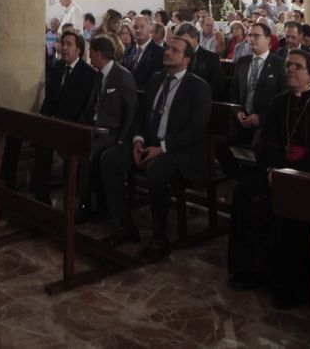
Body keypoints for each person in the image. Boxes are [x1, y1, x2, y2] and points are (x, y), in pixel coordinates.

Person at [226, 49, 310, 305]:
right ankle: (248, 270)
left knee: (289, 211)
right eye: (288, 65)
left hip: (309, 177)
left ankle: (292, 285)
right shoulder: (279, 102)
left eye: (297, 67)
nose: (289, 69)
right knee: (244, 193)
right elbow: (266, 144)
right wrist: (271, 170)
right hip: (277, 172)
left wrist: (293, 174)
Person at [98, 35, 211, 262]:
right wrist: (138, 140)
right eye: (168, 48)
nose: (168, 52)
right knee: (109, 159)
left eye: (175, 51)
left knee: (157, 171)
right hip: (148, 143)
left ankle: (160, 238)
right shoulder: (155, 79)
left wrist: (162, 148)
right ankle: (126, 226)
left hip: (181, 151)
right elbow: (140, 114)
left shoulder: (199, 87)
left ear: (187, 59)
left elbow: (196, 130)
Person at [32, 31, 99, 202]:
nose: (64, 48)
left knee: (68, 152)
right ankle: (41, 197)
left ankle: (71, 200)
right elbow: (50, 99)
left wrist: (67, 125)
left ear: (78, 50)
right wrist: (42, 119)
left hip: (74, 127)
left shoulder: (88, 74)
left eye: (69, 44)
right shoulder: (57, 67)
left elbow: (85, 108)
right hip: (56, 125)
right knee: (40, 143)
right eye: (63, 44)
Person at [80, 36, 136, 222]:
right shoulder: (98, 75)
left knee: (88, 154)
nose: (90, 57)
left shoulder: (122, 75)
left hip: (112, 132)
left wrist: (122, 140)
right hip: (95, 129)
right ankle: (93, 202)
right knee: (77, 146)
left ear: (99, 53)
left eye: (92, 53)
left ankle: (86, 204)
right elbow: (91, 105)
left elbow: (131, 109)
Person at [224, 21, 279, 171]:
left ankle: (258, 180)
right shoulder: (243, 62)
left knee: (259, 146)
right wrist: (238, 111)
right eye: (249, 35)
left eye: (256, 36)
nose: (251, 39)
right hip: (241, 118)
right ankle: (236, 175)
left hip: (265, 121)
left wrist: (260, 117)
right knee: (218, 141)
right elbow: (233, 92)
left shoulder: (278, 64)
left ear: (268, 39)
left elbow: (281, 100)